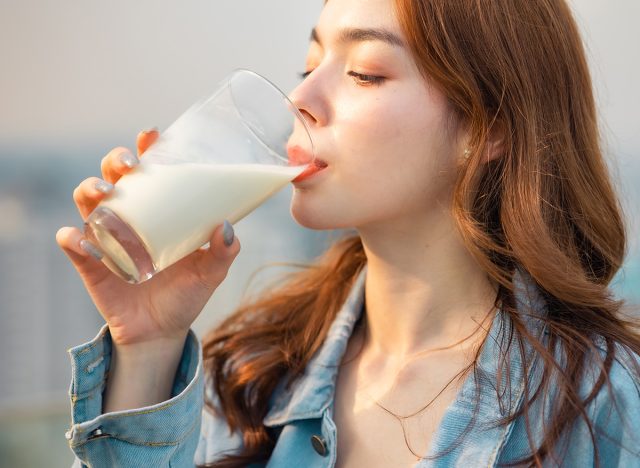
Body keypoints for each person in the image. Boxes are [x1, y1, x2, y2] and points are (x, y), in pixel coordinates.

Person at [56, 0, 640, 466]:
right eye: (308, 68)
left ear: (487, 130)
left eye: (365, 73)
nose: (302, 99)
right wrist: (150, 348)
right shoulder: (253, 376)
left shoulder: (600, 402)